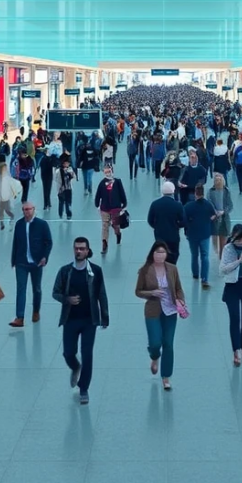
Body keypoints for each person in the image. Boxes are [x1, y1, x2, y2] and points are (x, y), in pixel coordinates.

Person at [52, 237, 110, 405]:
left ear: (87, 251)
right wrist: (67, 299)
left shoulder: (96, 271)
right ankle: (75, 366)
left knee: (87, 354)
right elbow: (55, 292)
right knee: (68, 353)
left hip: (89, 320)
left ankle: (84, 388)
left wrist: (104, 318)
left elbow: (102, 295)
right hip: (70, 319)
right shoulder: (65, 271)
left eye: (82, 248)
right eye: (76, 248)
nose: (78, 251)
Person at [134, 241, 185, 390]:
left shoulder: (172, 269)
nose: (160, 255)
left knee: (168, 343)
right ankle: (154, 356)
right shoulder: (145, 270)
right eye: (157, 252)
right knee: (155, 342)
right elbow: (138, 291)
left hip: (170, 311)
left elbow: (178, 288)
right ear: (152, 254)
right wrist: (151, 293)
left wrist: (180, 300)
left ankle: (166, 376)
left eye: (163, 252)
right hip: (153, 311)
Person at [10, 202, 53, 328]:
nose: (26, 212)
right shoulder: (19, 224)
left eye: (28, 209)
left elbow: (48, 242)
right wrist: (14, 260)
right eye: (24, 210)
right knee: (21, 289)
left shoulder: (42, 224)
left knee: (37, 289)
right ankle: (20, 317)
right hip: (21, 262)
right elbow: (15, 243)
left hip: (36, 262)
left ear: (34, 209)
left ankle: (36, 311)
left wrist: (45, 257)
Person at [219, 224, 242, 366]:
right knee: (235, 318)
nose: (240, 243)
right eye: (237, 240)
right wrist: (238, 262)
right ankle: (236, 350)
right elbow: (222, 269)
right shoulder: (228, 249)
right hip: (233, 286)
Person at [183, 184, 216, 289]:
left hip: (192, 234)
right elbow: (214, 215)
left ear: (195, 193)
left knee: (194, 255)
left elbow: (184, 220)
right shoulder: (208, 205)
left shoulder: (188, 206)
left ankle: (195, 274)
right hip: (205, 234)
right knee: (205, 256)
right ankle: (204, 278)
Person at [94, 164, 127, 254]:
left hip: (116, 208)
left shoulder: (117, 182)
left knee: (116, 225)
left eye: (109, 171)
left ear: (112, 171)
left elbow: (122, 192)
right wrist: (97, 204)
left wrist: (124, 203)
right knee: (105, 226)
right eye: (106, 172)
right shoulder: (101, 183)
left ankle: (118, 234)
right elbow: (98, 195)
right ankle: (104, 243)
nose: (107, 173)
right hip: (105, 208)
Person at [208, 173, 233, 258]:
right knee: (215, 239)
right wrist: (215, 212)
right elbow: (209, 203)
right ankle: (218, 252)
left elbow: (230, 205)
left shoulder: (227, 191)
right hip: (214, 219)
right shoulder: (211, 191)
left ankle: (222, 258)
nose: (218, 181)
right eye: (216, 180)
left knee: (224, 241)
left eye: (220, 180)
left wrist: (223, 212)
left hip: (224, 219)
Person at [54, 156, 76, 220]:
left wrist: (69, 172)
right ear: (63, 163)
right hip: (61, 189)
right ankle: (60, 213)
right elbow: (56, 179)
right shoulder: (58, 170)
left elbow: (74, 176)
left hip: (68, 188)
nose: (67, 164)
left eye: (68, 163)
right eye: (66, 163)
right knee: (61, 202)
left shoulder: (70, 169)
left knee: (68, 202)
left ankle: (68, 214)